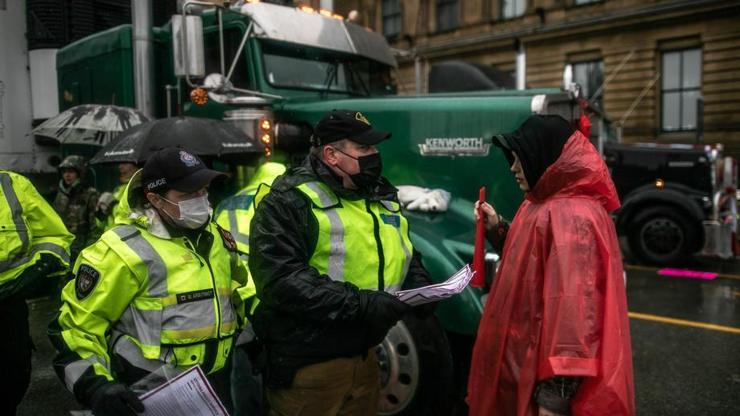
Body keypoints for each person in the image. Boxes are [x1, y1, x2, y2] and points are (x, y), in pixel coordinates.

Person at [248, 109, 432, 415]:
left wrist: (420, 284)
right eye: (363, 148)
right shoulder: (288, 200)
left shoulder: (378, 193)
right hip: (310, 367)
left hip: (366, 356)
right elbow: (279, 281)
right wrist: (361, 304)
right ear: (332, 155)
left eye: (374, 147)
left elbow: (402, 248)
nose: (374, 155)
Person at [49, 148, 251, 415]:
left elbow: (237, 293)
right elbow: (77, 328)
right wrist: (95, 384)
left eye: (203, 190)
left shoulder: (217, 238)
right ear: (155, 199)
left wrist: (252, 337)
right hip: (151, 394)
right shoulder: (122, 250)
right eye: (188, 194)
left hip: (215, 387)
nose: (201, 200)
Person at [467, 115, 635, 416]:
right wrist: (498, 228)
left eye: (520, 159)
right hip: (524, 365)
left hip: (539, 378)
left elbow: (576, 317)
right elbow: (532, 265)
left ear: (544, 158)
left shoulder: (573, 216)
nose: (513, 168)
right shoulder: (541, 201)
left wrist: (554, 398)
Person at [215, 160, 286, 416]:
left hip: (241, 304)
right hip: (276, 306)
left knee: (243, 376)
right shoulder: (288, 202)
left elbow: (223, 258)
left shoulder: (230, 203)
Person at [0, 170, 73, 415]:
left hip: (9, 302)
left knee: (13, 378)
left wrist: (39, 267)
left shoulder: (12, 184)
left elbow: (54, 235)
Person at [54, 155, 101, 262]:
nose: (67, 175)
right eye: (64, 171)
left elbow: (96, 229)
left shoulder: (91, 194)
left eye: (71, 171)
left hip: (82, 252)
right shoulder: (60, 195)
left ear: (80, 173)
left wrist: (88, 252)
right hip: (62, 250)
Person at [97, 162, 139, 231]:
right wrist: (100, 215)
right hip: (111, 237)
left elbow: (136, 218)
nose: (120, 167)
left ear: (137, 166)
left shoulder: (140, 191)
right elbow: (104, 225)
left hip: (127, 237)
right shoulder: (118, 189)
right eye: (120, 164)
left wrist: (113, 205)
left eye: (125, 163)